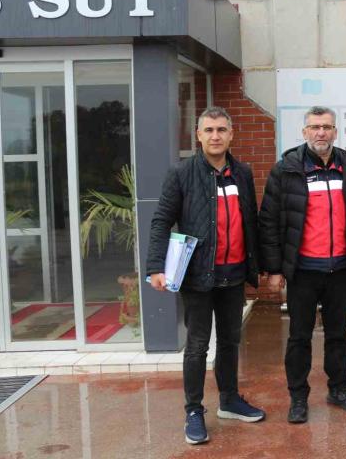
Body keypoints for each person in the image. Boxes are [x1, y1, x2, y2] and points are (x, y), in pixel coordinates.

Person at [147, 106, 265, 446]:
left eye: (221, 130)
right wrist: (156, 267)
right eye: (209, 130)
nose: (216, 136)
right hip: (199, 275)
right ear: (198, 135)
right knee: (198, 345)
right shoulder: (181, 173)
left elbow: (250, 221)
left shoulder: (242, 172)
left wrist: (259, 264)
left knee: (230, 341)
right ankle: (194, 411)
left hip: (234, 274)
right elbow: (161, 220)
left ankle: (229, 400)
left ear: (231, 134)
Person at [258, 106, 346, 424]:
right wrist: (274, 269)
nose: (321, 133)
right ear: (304, 132)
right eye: (315, 127)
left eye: (327, 127)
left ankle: (339, 389)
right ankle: (298, 397)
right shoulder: (286, 170)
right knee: (299, 337)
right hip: (303, 271)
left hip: (340, 270)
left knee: (338, 335)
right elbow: (269, 221)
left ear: (335, 132)